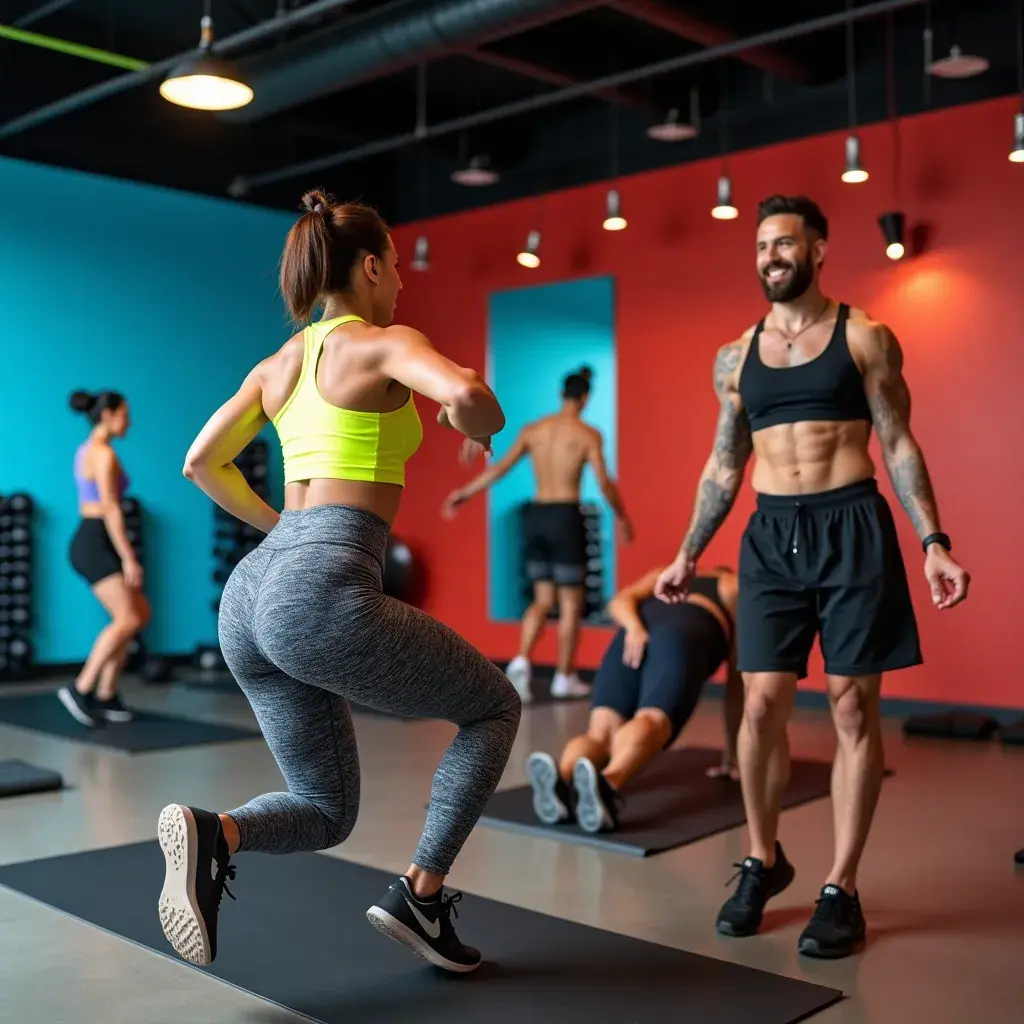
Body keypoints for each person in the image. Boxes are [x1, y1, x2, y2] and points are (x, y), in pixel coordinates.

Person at [156, 191, 520, 975]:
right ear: (369, 265)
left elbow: (199, 462)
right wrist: (475, 421)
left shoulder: (278, 364)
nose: (400, 287)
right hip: (321, 584)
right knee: (495, 705)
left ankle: (216, 833)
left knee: (326, 810)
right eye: (393, 270)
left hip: (250, 593)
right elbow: (468, 398)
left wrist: (282, 531)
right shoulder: (382, 341)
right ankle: (421, 896)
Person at [655, 194, 970, 959]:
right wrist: (689, 551)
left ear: (819, 250)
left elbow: (898, 441)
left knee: (853, 709)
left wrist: (933, 539)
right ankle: (763, 858)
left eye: (786, 244)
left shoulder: (866, 338)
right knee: (759, 701)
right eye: (763, 245)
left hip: (852, 526)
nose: (771, 256)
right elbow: (726, 461)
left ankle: (841, 886)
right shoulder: (735, 356)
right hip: (771, 535)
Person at [441, 366, 633, 702]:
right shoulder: (587, 434)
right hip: (565, 517)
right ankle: (564, 676)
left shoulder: (535, 430)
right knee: (570, 604)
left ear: (562, 394)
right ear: (585, 398)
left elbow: (499, 468)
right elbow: (604, 482)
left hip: (537, 517)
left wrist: (465, 493)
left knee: (542, 600)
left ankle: (521, 662)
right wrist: (623, 516)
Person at [525, 565, 742, 834]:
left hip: (633, 632)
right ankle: (607, 783)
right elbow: (738, 680)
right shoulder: (733, 587)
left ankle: (564, 780)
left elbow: (619, 601)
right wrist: (732, 755)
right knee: (652, 719)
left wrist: (635, 628)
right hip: (684, 634)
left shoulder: (665, 573)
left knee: (601, 729)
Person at [58, 390, 149, 727]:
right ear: (108, 415)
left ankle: (106, 694)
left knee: (138, 613)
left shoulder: (87, 449)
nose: (130, 420)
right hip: (95, 540)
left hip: (93, 537)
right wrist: (129, 558)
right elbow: (111, 509)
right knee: (127, 618)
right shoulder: (104, 455)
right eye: (125, 413)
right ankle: (80, 688)